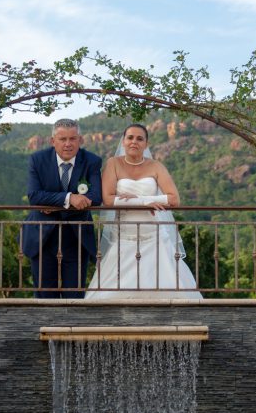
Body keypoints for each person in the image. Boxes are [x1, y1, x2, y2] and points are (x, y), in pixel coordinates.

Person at [85, 123, 203, 300]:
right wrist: (144, 202)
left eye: (140, 139)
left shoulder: (156, 166)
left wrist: (143, 201)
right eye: (130, 138)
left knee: (166, 289)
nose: (134, 142)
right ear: (123, 141)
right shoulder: (113, 164)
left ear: (146, 144)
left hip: (154, 237)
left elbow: (174, 199)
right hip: (125, 237)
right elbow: (108, 199)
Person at [22, 118, 103, 298]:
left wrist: (53, 203)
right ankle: (46, 326)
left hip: (76, 236)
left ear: (80, 140)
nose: (68, 144)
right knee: (44, 295)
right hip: (42, 235)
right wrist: (69, 198)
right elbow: (34, 196)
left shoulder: (92, 161)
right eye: (62, 139)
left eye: (72, 139)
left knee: (74, 296)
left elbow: (96, 197)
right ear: (53, 141)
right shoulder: (38, 159)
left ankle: (71, 326)